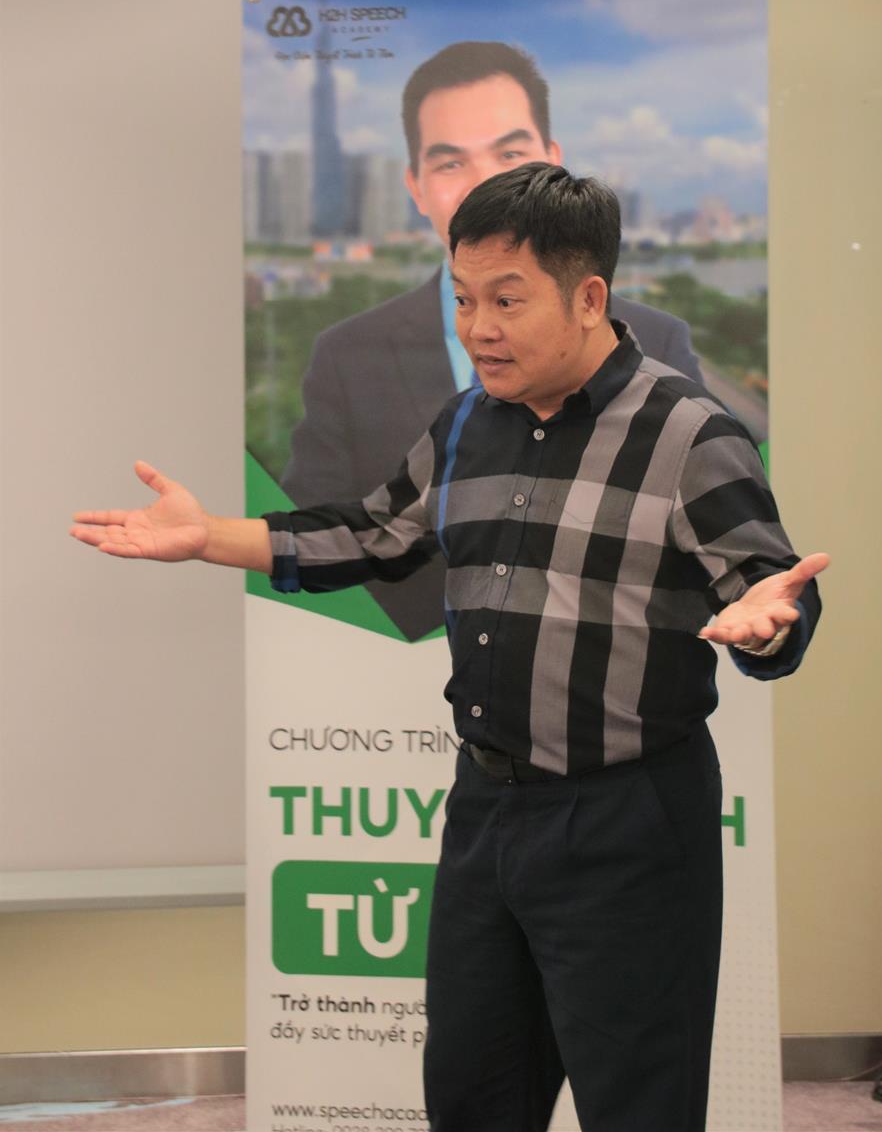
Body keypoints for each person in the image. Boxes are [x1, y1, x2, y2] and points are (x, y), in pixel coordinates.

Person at [72, 163, 827, 1132]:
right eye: (464, 299)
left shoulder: (689, 434)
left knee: (637, 1104)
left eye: (507, 301)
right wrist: (210, 535)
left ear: (588, 297)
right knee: (473, 1097)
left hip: (628, 823)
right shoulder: (469, 420)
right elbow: (375, 534)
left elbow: (770, 590)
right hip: (487, 814)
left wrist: (771, 625)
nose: (477, 329)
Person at [282, 40, 701, 640]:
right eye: (451, 163)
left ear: (554, 164)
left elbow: (731, 559)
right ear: (416, 186)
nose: (487, 183)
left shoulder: (663, 349)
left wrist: (766, 621)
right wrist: (210, 537)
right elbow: (344, 532)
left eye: (510, 153)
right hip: (388, 661)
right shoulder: (347, 357)